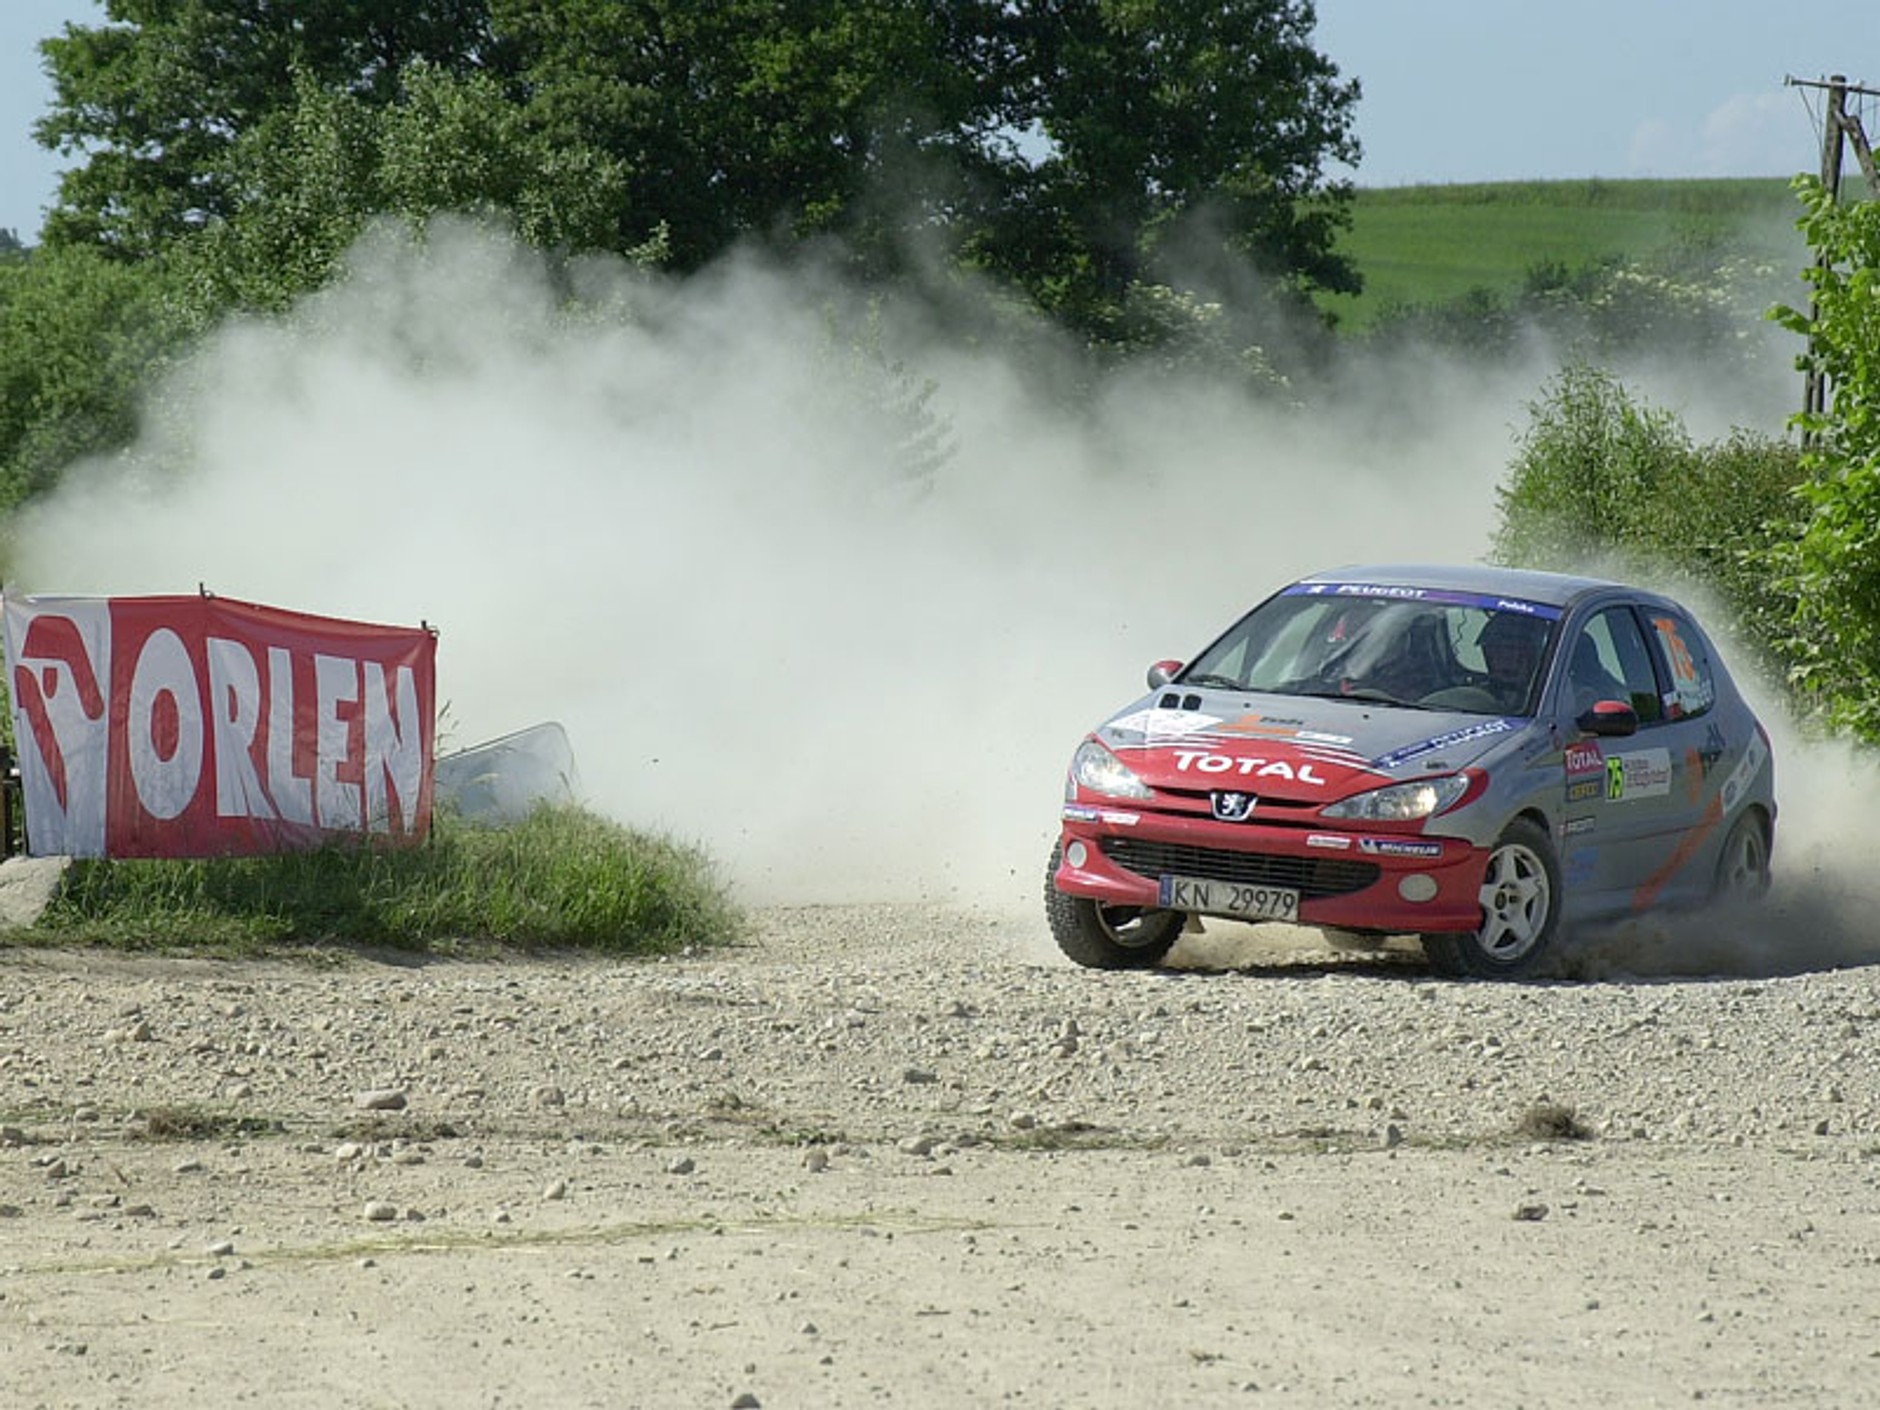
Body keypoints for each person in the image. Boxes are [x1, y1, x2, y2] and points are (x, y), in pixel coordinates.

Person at [1477, 612, 1550, 713]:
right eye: (1491, 648)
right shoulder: (1474, 696)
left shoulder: (1551, 696)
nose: (1496, 656)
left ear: (1529, 653)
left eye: (1507, 648)